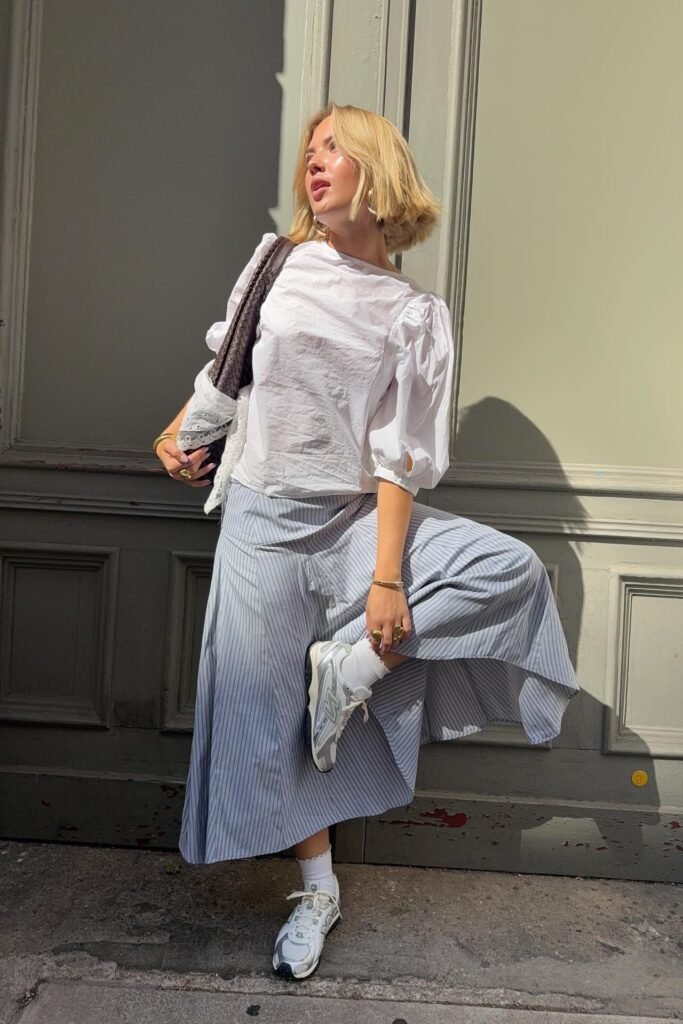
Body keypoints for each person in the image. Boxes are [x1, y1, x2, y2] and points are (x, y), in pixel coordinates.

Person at [153, 102, 580, 981]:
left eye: (334, 151)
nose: (314, 164)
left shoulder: (412, 314)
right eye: (309, 153)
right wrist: (177, 435)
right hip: (261, 528)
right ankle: (317, 892)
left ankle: (347, 671)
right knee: (268, 726)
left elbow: (399, 458)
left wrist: (386, 580)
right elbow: (225, 370)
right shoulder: (278, 264)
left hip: (352, 523)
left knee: (508, 570)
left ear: (376, 171)